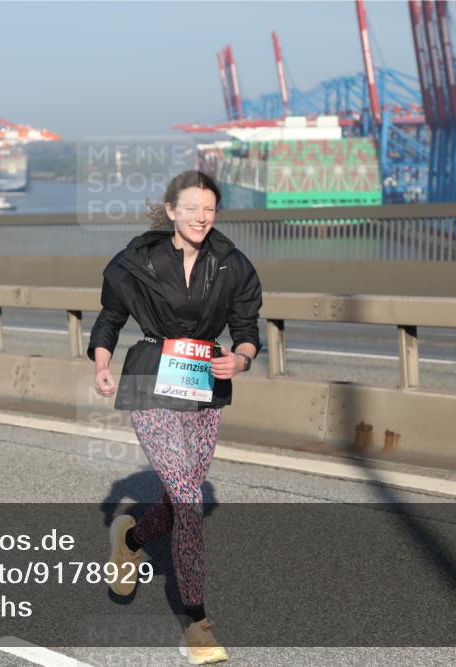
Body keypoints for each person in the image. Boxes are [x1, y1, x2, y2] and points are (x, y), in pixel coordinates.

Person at [89, 170, 262, 664]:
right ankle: (197, 621)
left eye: (209, 209)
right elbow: (109, 318)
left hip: (205, 384)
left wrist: (242, 358)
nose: (201, 217)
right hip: (150, 380)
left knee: (181, 493)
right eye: (191, 208)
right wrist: (102, 363)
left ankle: (132, 538)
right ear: (171, 210)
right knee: (188, 500)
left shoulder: (233, 265)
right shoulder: (136, 261)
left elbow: (247, 329)